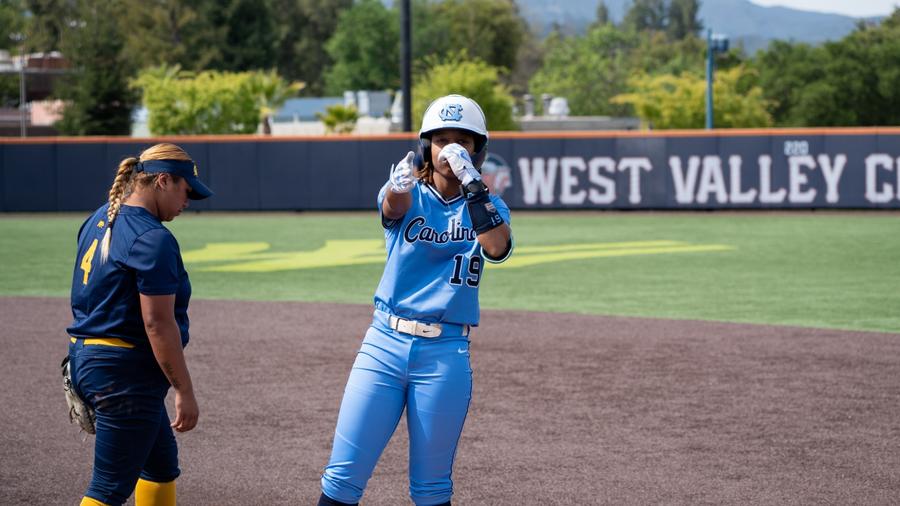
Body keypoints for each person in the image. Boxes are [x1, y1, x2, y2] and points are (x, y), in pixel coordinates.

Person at [319, 94, 513, 506]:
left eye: (463, 140)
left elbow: (496, 247)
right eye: (441, 139)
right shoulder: (412, 193)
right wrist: (397, 185)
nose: (451, 148)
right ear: (427, 145)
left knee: (431, 487)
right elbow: (394, 204)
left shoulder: (491, 207)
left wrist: (474, 189)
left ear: (479, 148)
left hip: (444, 352)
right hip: (383, 345)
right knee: (342, 478)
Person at [66, 143, 213, 506]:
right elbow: (158, 324)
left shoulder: (100, 218)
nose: (188, 200)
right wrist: (184, 390)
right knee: (107, 489)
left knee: (160, 467)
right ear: (163, 180)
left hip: (89, 360)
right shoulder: (154, 239)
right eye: (185, 189)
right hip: (122, 376)